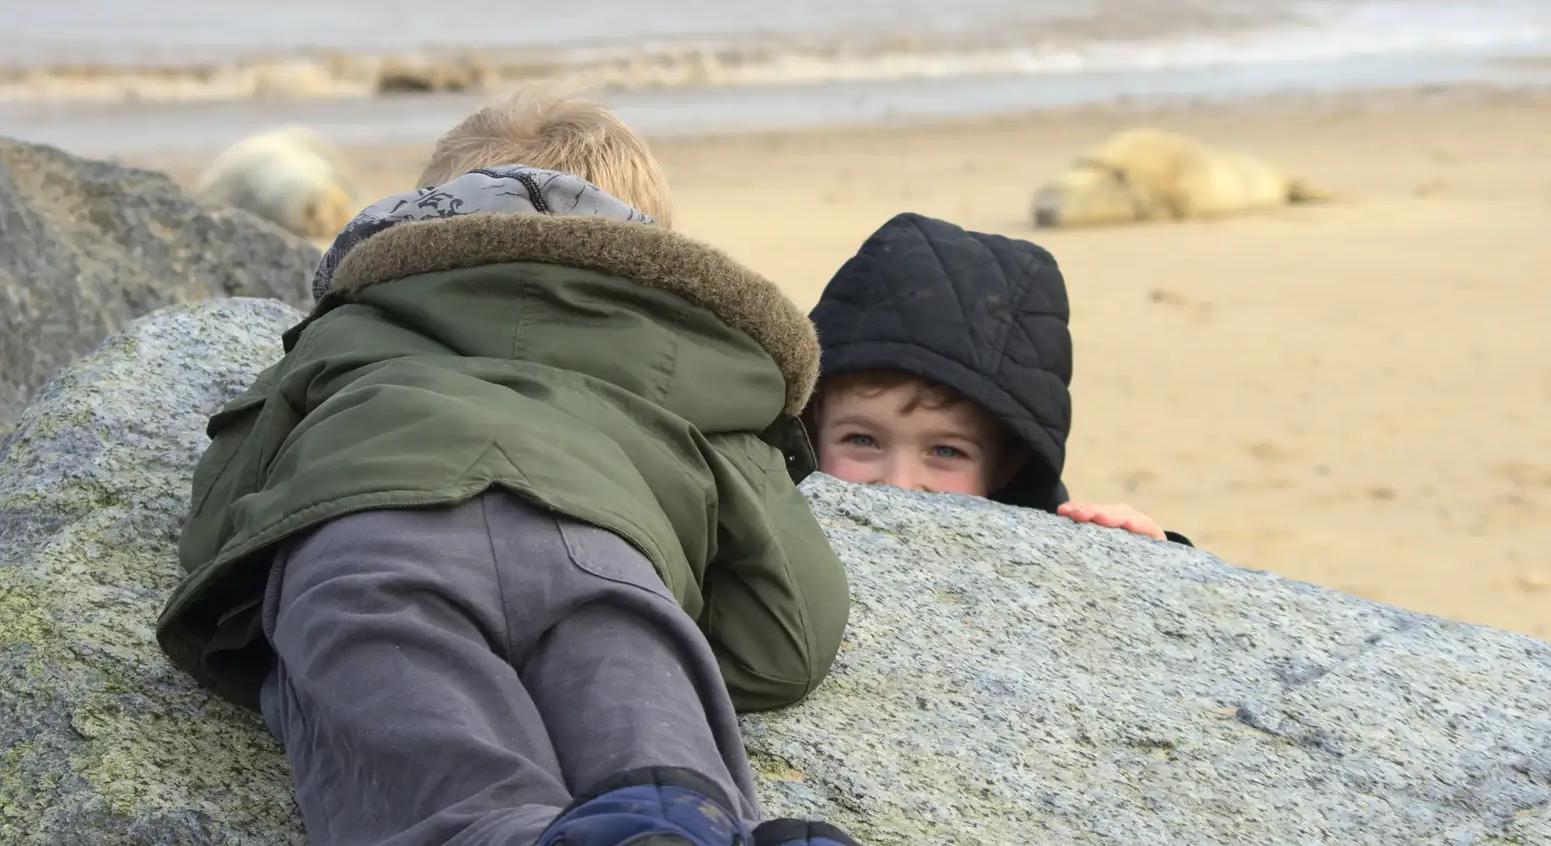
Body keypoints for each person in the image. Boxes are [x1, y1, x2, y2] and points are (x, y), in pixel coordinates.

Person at [156, 91, 862, 846]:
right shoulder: (696, 370)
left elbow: (219, 516)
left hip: (373, 543)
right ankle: (690, 815)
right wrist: (679, 601)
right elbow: (790, 631)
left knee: (451, 788)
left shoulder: (356, 326)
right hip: (605, 556)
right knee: (662, 767)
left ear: (427, 218)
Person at [806, 211, 1192, 546]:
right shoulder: (764, 532)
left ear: (1007, 464)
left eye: (945, 451)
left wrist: (1155, 555)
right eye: (862, 440)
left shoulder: (1046, 561)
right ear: (811, 431)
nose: (898, 485)